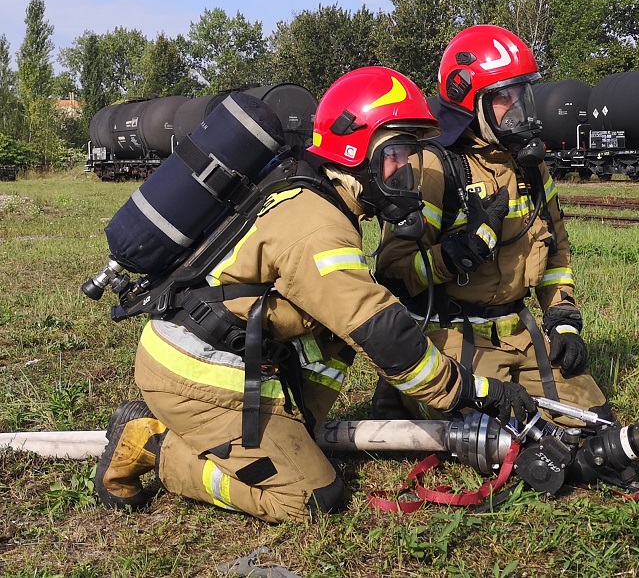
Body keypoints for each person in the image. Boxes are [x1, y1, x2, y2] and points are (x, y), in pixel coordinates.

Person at [95, 67, 536, 524]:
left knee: (337, 333)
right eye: (396, 153)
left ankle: (291, 428)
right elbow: (386, 335)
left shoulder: (317, 191)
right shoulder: (319, 227)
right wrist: (475, 390)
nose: (406, 169)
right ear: (356, 149)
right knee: (310, 500)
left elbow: (355, 308)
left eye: (410, 154)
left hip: (214, 354)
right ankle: (151, 444)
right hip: (196, 377)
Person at [372, 25, 616, 433]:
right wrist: (455, 255)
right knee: (505, 435)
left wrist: (563, 319)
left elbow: (556, 249)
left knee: (593, 424)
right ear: (471, 103)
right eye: (503, 97)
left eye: (522, 93)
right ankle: (401, 388)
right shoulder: (435, 167)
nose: (517, 106)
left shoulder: (530, 165)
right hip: (451, 335)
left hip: (519, 333)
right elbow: (394, 271)